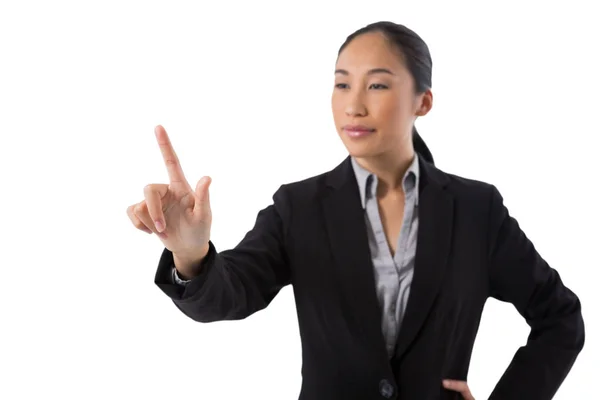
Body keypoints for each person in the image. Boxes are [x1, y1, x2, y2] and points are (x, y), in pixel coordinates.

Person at [126, 21, 584, 400]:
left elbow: (560, 319)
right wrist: (191, 255)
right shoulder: (299, 207)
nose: (354, 104)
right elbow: (230, 294)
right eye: (342, 84)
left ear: (422, 101)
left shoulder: (475, 211)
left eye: (378, 84)